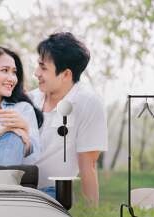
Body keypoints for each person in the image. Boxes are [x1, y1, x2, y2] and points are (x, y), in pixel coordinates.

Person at [25, 32, 108, 206]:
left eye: (43, 68)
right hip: (17, 189)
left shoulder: (88, 103)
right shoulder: (30, 100)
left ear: (66, 75)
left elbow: (89, 166)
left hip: (52, 195)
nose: (36, 73)